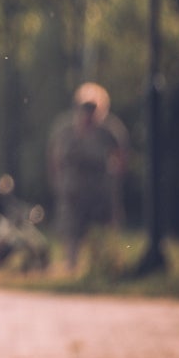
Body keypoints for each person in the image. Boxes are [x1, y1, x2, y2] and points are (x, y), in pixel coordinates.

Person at [47, 82, 129, 272]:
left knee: (102, 232)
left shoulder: (109, 130)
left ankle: (99, 270)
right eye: (84, 107)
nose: (88, 112)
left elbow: (122, 155)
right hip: (72, 191)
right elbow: (53, 158)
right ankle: (71, 269)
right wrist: (57, 183)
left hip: (100, 192)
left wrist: (115, 179)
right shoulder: (64, 128)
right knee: (71, 233)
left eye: (92, 107)